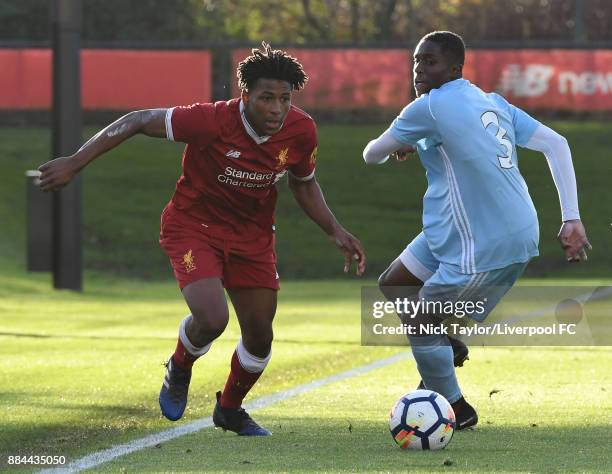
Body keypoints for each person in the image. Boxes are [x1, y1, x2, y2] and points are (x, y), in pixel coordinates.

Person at [38, 42, 366, 436]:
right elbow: (140, 119)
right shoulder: (210, 120)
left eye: (284, 98)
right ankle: (180, 366)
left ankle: (229, 409)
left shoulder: (301, 130)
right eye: (266, 98)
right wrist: (74, 162)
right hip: (192, 227)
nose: (277, 109)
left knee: (260, 336)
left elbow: (304, 184)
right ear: (244, 95)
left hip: (253, 238)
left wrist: (335, 229)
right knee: (212, 319)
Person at [363, 31, 590, 430]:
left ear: (454, 68)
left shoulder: (428, 107)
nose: (419, 69)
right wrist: (571, 216)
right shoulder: (494, 102)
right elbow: (557, 144)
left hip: (487, 240)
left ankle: (455, 408)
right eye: (416, 61)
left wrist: (405, 140)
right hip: (466, 227)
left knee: (420, 318)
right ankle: (446, 348)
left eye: (430, 62)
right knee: (395, 283)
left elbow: (372, 155)